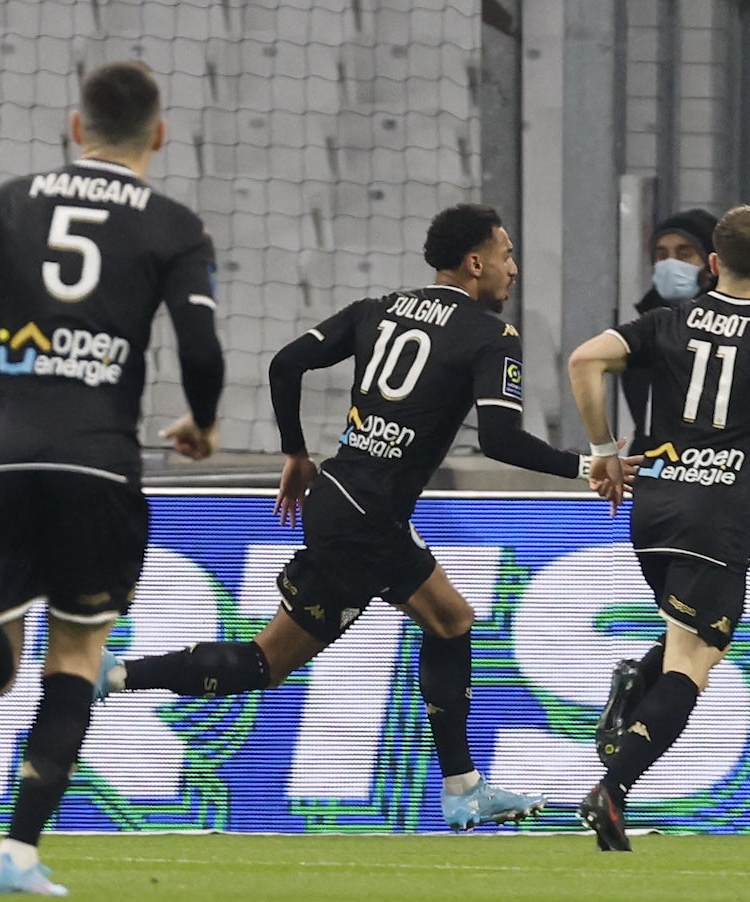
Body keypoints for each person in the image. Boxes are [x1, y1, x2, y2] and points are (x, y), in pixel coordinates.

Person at [95, 202, 632, 833]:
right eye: (507, 255)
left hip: (342, 500)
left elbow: (284, 363)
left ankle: (116, 675)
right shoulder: (492, 337)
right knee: (413, 629)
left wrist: (296, 452)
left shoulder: (377, 309)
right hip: (369, 519)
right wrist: (585, 466)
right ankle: (461, 789)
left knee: (375, 636)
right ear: (476, 262)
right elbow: (500, 440)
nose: (514, 270)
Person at [0, 61, 224, 896]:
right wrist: (204, 419)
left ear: (75, 129)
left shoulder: (14, 198)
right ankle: (17, 853)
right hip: (98, 462)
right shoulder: (176, 226)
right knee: (75, 655)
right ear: (157, 134)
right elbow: (199, 345)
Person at [569, 204, 750, 851]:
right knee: (696, 662)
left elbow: (584, 361)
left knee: (685, 634)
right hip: (718, 518)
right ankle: (615, 788)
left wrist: (604, 449)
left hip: (653, 510)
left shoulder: (667, 320)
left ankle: (636, 684)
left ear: (713, 264)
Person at [621, 208, 719, 458]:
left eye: (685, 253)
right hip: (655, 463)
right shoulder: (644, 329)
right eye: (661, 255)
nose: (671, 263)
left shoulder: (739, 328)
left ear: (712, 264)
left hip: (720, 467)